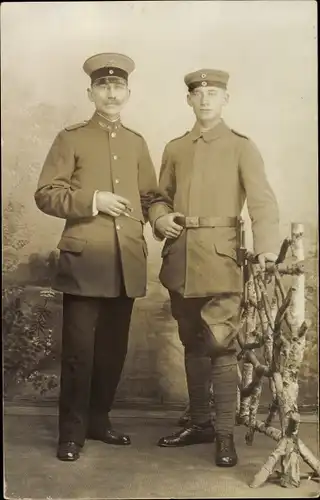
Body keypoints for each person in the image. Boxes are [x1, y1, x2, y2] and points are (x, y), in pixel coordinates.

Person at [149, 68, 280, 467]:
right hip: (181, 259)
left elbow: (262, 201)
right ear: (189, 100)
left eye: (214, 93)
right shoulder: (175, 148)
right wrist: (159, 219)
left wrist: (267, 249)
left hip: (222, 261)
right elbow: (159, 197)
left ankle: (224, 436)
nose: (205, 99)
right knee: (192, 342)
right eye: (198, 93)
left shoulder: (242, 146)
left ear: (226, 100)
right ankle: (200, 423)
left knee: (222, 347)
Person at [34, 53, 158, 461]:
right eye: (103, 86)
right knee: (78, 353)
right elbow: (46, 194)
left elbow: (150, 196)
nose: (110, 92)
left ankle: (99, 420)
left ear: (128, 93)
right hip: (85, 263)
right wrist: (93, 200)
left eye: (117, 86)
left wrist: (162, 215)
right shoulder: (71, 138)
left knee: (112, 351)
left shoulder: (136, 142)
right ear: (90, 93)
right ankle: (71, 434)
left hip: (126, 263)